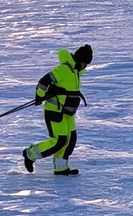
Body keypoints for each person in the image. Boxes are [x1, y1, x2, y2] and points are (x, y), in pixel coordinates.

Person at [22, 45, 92, 175]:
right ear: (79, 60)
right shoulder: (63, 69)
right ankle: (30, 154)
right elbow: (44, 81)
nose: (85, 66)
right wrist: (40, 96)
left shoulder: (76, 71)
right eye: (85, 63)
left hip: (68, 111)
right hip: (54, 110)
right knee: (59, 141)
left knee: (70, 140)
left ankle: (60, 168)